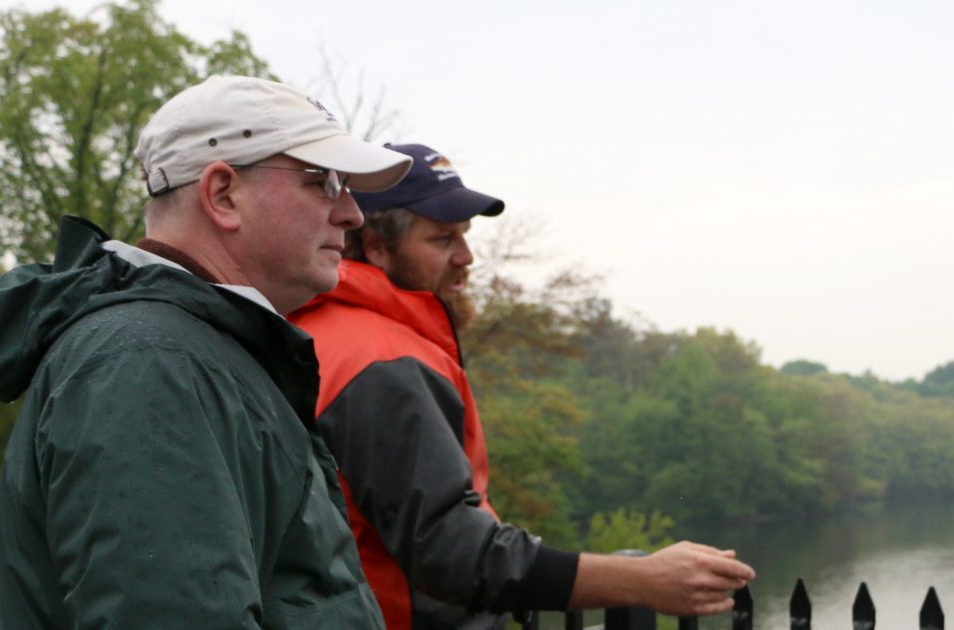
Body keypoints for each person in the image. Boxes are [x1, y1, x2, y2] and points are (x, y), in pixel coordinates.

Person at [0, 76, 413, 628]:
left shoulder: (195, 350)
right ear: (222, 195)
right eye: (323, 181)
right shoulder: (150, 364)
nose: (352, 214)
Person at [287, 143, 756, 630]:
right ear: (378, 246)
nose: (466, 257)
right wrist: (641, 579)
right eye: (443, 239)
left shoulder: (322, 333)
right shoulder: (382, 360)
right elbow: (450, 550)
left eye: (465, 237)